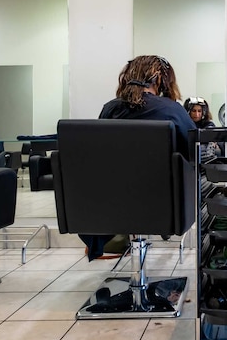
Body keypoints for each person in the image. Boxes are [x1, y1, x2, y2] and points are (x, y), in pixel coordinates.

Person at [80, 55, 196, 261]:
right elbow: (194, 152)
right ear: (160, 79)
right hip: (164, 206)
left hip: (112, 206)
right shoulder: (172, 110)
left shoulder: (110, 110)